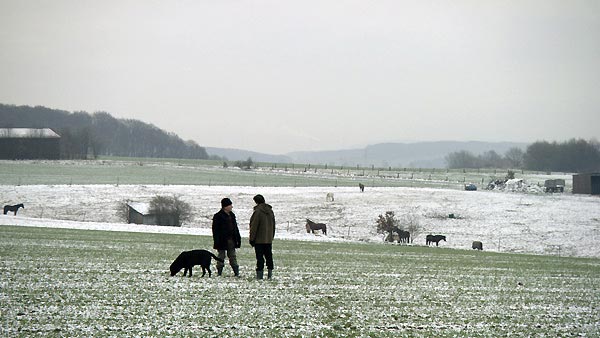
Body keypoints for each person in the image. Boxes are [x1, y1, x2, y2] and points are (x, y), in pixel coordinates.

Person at [212, 197, 241, 277]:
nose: (231, 206)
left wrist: (238, 239)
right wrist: (217, 241)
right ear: (225, 206)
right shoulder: (218, 216)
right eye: (230, 205)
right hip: (222, 240)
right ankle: (219, 272)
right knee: (221, 256)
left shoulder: (232, 215)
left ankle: (236, 273)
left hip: (231, 240)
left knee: (233, 257)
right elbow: (215, 230)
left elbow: (235, 228)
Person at [249, 194, 276, 280]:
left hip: (259, 239)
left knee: (260, 258)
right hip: (268, 239)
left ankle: (259, 276)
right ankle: (269, 275)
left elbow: (254, 226)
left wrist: (252, 239)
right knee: (269, 257)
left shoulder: (257, 212)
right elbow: (273, 225)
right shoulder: (270, 211)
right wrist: (271, 236)